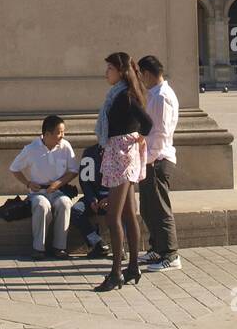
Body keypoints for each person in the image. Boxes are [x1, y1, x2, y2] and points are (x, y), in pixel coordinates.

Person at [93, 52, 153, 291]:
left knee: (113, 216)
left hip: (122, 156)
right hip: (120, 153)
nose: (106, 72)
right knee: (128, 213)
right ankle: (133, 267)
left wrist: (136, 137)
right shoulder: (118, 94)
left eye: (109, 68)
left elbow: (147, 123)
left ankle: (116, 271)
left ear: (120, 71)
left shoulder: (125, 96)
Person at [9, 114, 79, 259]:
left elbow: (73, 170)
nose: (62, 135)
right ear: (47, 134)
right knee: (42, 205)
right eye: (59, 132)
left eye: (63, 132)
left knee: (65, 203)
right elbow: (14, 168)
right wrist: (28, 183)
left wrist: (58, 183)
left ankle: (59, 247)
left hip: (58, 190)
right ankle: (38, 248)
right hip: (38, 192)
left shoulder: (65, 146)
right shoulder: (31, 149)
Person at [138, 55, 181, 273]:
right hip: (151, 159)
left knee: (161, 209)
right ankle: (157, 247)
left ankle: (171, 254)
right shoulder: (155, 94)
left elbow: (161, 133)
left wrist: (148, 159)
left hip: (158, 159)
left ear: (147, 73)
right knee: (148, 208)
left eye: (140, 75)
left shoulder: (162, 97)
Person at [70, 142, 111, 258]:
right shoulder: (89, 152)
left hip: (113, 197)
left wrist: (110, 198)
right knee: (76, 210)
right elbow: (84, 180)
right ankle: (97, 243)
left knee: (122, 210)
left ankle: (121, 248)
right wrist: (92, 199)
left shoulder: (119, 152)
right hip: (94, 196)